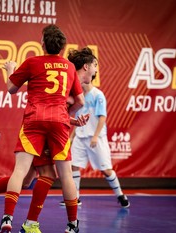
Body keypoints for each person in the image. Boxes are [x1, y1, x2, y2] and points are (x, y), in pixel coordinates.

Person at [0, 24, 84, 233]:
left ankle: (7, 219)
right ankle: (72, 225)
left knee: (20, 171)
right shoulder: (70, 67)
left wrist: (10, 70)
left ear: (42, 43)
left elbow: (11, 89)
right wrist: (66, 114)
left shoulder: (32, 62)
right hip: (59, 123)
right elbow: (79, 100)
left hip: (35, 120)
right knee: (65, 176)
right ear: (62, 46)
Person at [60, 47, 130, 208]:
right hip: (80, 137)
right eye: (95, 65)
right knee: (74, 166)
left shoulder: (98, 95)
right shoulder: (76, 95)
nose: (95, 69)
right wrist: (71, 137)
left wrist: (95, 136)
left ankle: (120, 194)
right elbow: (77, 118)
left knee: (106, 170)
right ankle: (75, 197)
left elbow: (102, 117)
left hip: (96, 138)